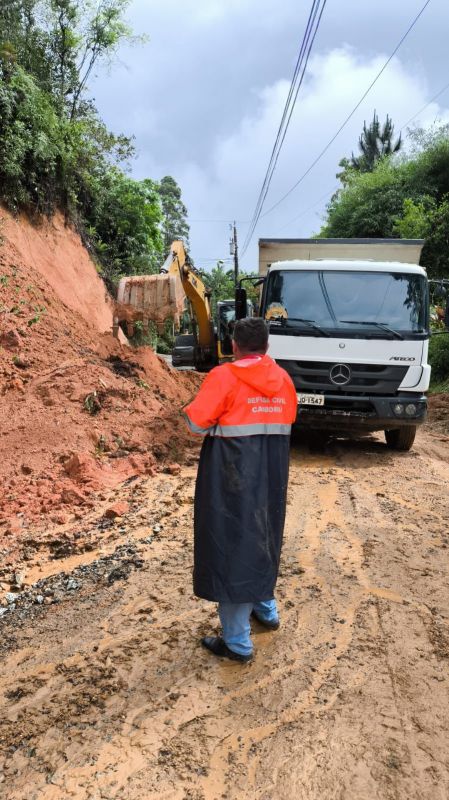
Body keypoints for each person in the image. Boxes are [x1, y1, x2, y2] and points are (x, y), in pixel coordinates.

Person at [183, 317, 297, 663]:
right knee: (263, 539)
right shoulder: (283, 379)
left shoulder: (224, 377)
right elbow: (288, 419)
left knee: (231, 549)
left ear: (234, 346)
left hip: (230, 477)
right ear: (266, 346)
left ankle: (237, 644)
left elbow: (195, 423)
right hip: (271, 474)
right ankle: (266, 610)